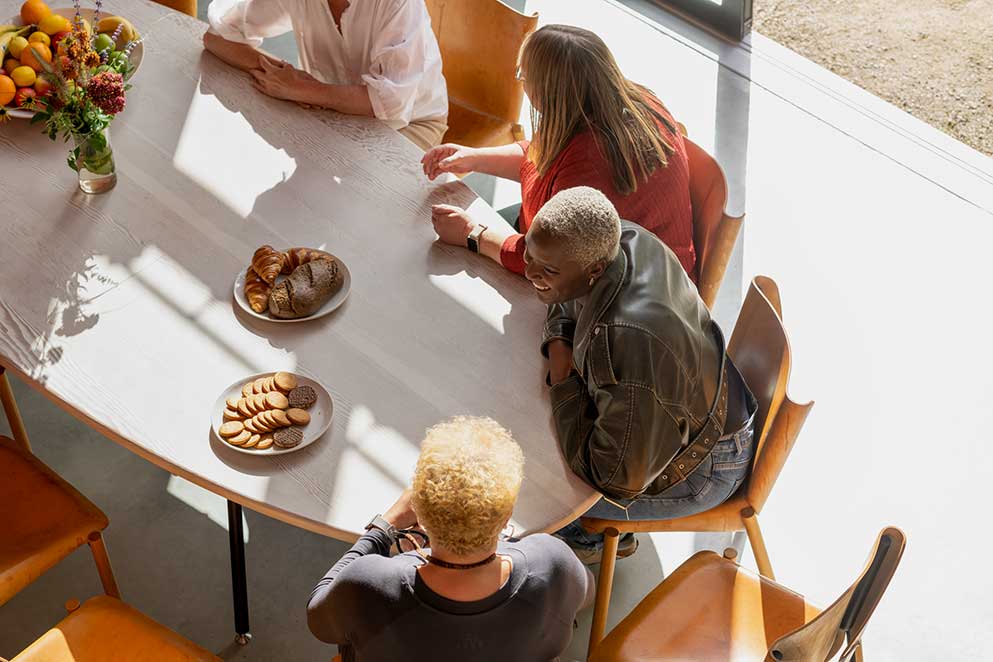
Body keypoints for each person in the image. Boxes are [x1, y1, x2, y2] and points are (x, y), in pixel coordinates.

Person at [524, 187, 756, 564]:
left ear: (594, 269)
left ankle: (590, 538)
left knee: (530, 490)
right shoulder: (620, 237)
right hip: (690, 413)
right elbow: (563, 299)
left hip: (704, 467)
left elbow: (613, 477)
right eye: (529, 254)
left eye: (548, 270)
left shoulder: (631, 339)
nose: (531, 272)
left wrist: (563, 380)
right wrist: (560, 346)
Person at [307, 416, 593, 661]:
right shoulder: (552, 561)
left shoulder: (371, 582)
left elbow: (318, 619)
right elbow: (585, 592)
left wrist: (385, 527)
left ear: (419, 510)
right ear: (506, 518)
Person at [421, 24, 695, 280]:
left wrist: (472, 233)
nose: (522, 83)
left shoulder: (588, 168)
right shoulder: (634, 100)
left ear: (546, 94)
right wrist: (472, 157)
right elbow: (544, 156)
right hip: (626, 252)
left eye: (523, 76)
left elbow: (540, 258)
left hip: (615, 286)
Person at [204, 0, 449, 150]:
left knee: (350, 207)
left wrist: (305, 89)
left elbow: (391, 103)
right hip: (331, 111)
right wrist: (287, 78)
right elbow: (218, 37)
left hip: (411, 121)